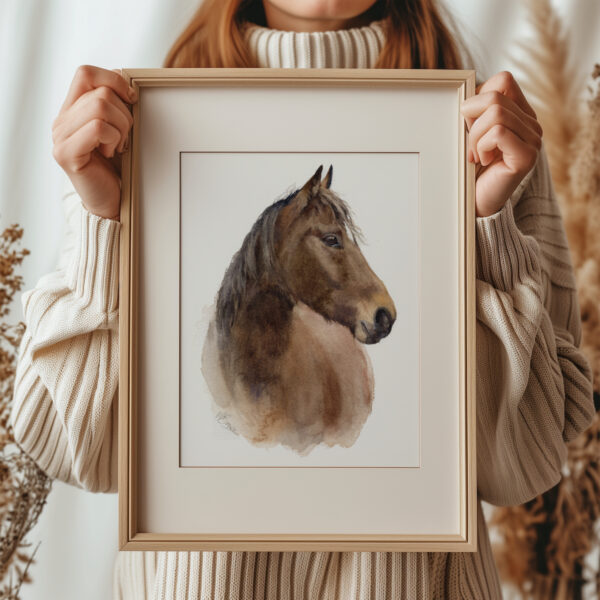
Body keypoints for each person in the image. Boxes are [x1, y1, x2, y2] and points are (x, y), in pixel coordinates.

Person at [10, 0, 595, 598]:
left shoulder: (489, 137)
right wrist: (105, 223)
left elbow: (526, 464)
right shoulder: (138, 132)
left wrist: (489, 224)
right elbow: (73, 451)